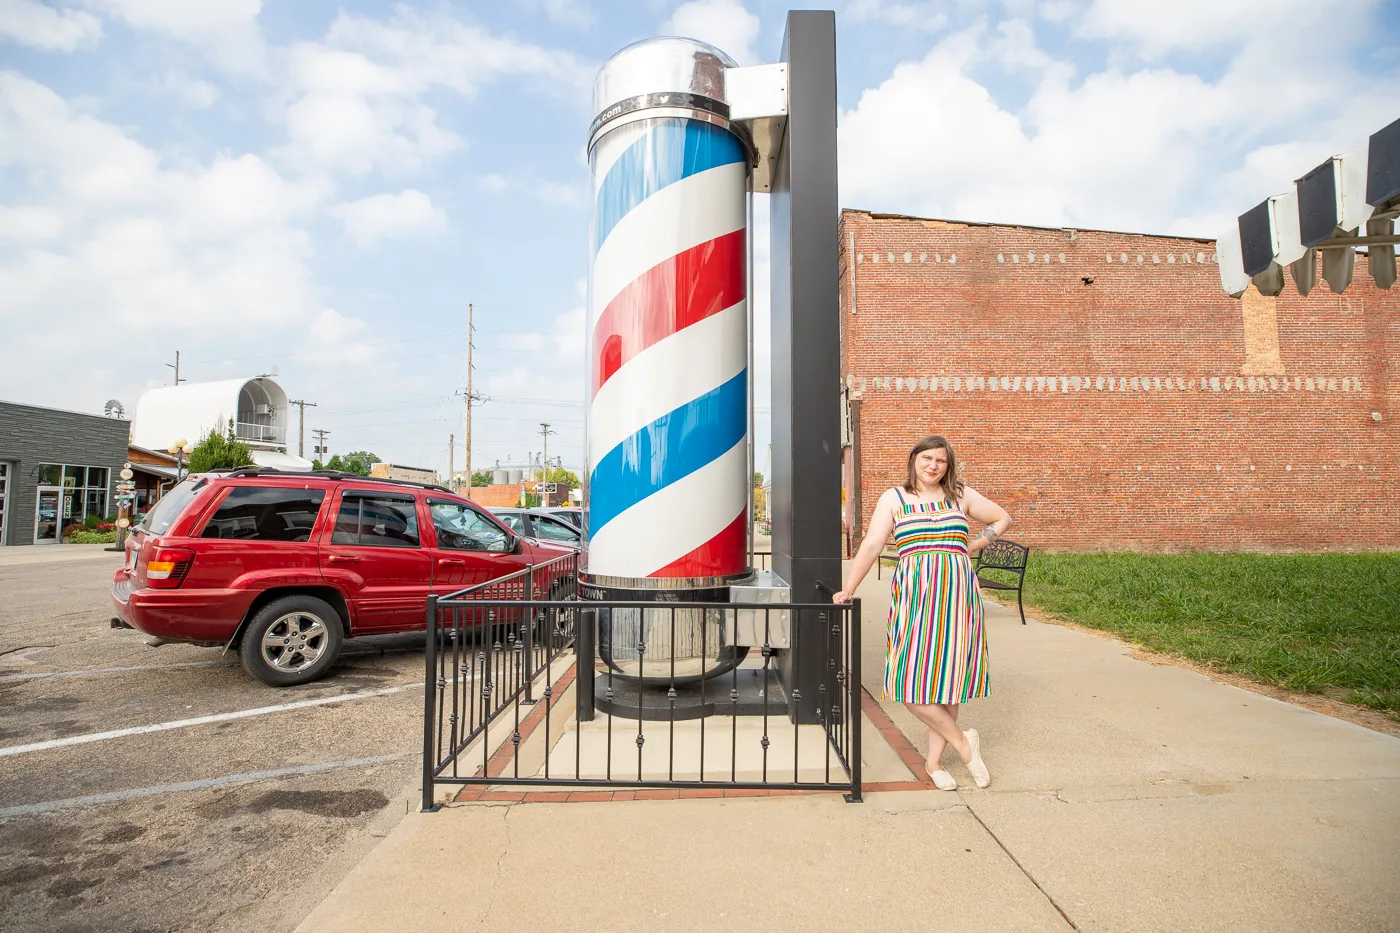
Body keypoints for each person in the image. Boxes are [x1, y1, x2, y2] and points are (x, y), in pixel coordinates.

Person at [833, 435, 1012, 791]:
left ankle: (933, 763)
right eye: (927, 458)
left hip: (958, 597)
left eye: (941, 461)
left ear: (948, 466)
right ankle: (964, 744)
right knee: (907, 684)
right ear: (914, 459)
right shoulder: (894, 498)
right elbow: (871, 544)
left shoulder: (960, 495)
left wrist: (975, 544)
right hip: (915, 599)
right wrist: (850, 587)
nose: (933, 466)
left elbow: (1002, 518)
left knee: (949, 681)